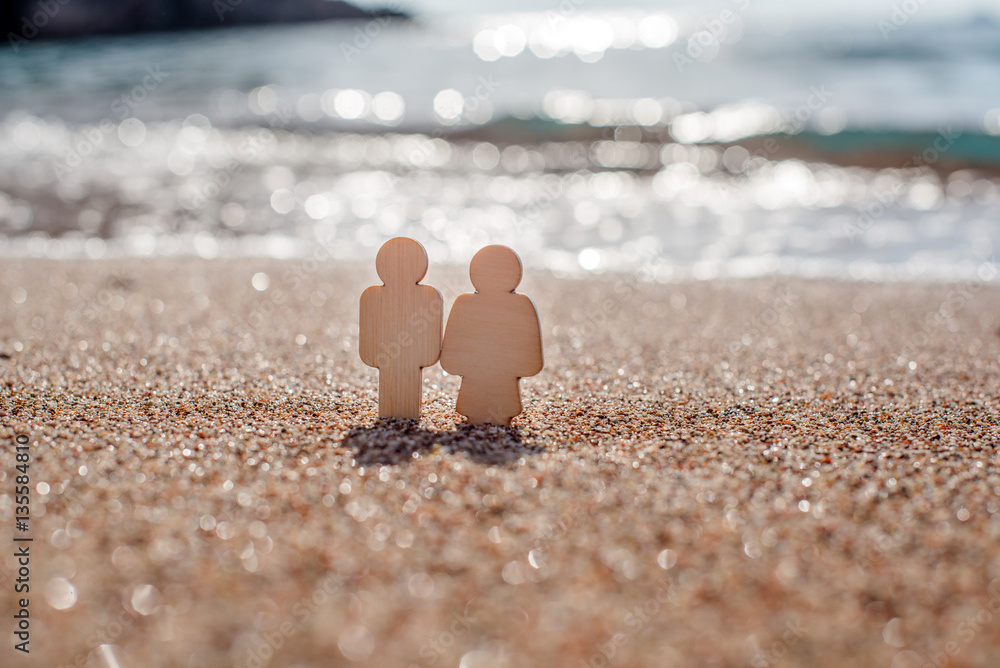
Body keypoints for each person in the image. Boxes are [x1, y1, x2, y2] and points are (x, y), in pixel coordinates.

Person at [440, 245, 543, 426]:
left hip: (487, 381)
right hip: (495, 381)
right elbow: (531, 360)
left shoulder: (465, 303)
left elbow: (451, 356)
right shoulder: (521, 305)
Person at [359, 237, 443, 419]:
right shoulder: (429, 296)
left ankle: (396, 415)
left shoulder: (371, 296)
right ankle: (399, 414)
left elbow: (368, 349)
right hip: (403, 358)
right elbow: (431, 349)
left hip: (394, 357)